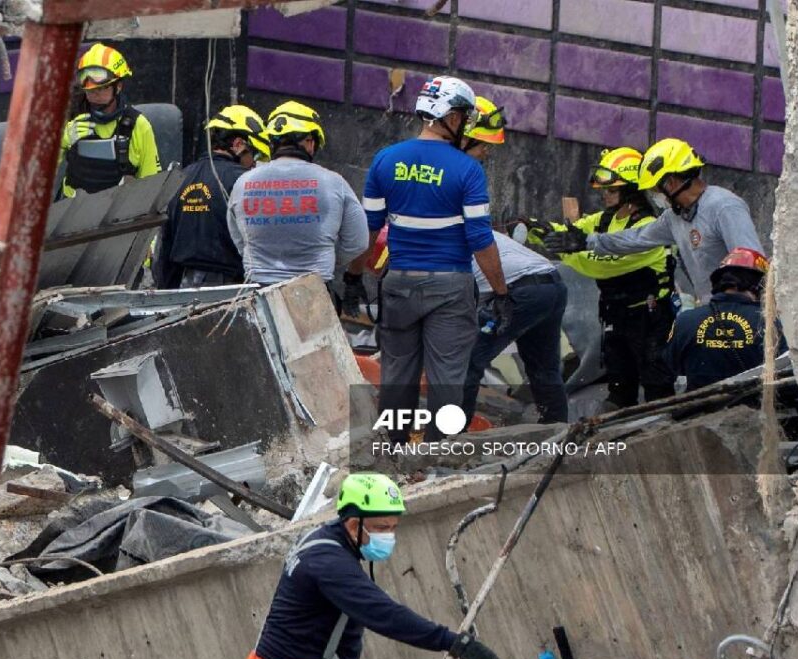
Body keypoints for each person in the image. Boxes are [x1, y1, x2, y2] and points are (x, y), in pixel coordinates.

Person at [363, 76, 510, 443]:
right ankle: (434, 456)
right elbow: (479, 239)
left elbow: (368, 231)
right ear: (452, 117)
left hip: (398, 283)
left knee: (397, 372)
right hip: (450, 287)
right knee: (447, 376)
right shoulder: (467, 171)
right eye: (464, 116)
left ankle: (393, 453)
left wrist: (355, 276)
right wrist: (501, 291)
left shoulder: (385, 160)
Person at [245, 473, 508, 659]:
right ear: (353, 524)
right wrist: (458, 644)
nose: (388, 536)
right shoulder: (328, 562)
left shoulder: (326, 540)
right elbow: (383, 614)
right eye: (381, 527)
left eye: (393, 528)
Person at [529, 147, 677, 408]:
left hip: (650, 319)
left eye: (611, 190)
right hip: (615, 315)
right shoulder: (603, 220)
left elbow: (602, 266)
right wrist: (535, 230)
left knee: (656, 385)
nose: (604, 195)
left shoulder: (649, 228)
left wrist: (567, 250)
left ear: (630, 190)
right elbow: (569, 232)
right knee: (619, 386)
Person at [457, 100, 569, 423]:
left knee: (468, 361)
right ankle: (558, 434)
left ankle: (452, 443)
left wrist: (503, 296)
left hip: (524, 289)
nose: (487, 155)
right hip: (552, 284)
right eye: (484, 146)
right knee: (543, 367)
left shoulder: (446, 246)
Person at [543, 138, 761, 301]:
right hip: (711, 309)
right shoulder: (675, 217)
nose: (655, 197)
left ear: (672, 183)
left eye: (656, 189)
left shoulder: (724, 207)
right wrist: (587, 241)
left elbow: (753, 261)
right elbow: (635, 239)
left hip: (743, 310)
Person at [227, 100, 368, 306]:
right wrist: (323, 254)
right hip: (314, 292)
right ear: (310, 142)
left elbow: (239, 239)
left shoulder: (243, 183)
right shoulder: (333, 183)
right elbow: (358, 241)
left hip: (258, 295)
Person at [154, 104, 270, 289]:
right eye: (254, 154)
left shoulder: (180, 178)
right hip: (229, 287)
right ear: (238, 145)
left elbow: (164, 244)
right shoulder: (244, 181)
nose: (253, 163)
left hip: (181, 286)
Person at [664, 247, 787, 390]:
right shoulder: (768, 322)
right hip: (754, 408)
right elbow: (782, 368)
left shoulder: (685, 321)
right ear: (760, 286)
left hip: (699, 409)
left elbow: (670, 365)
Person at [58, 43, 161, 199]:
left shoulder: (138, 126)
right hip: (72, 212)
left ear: (118, 87)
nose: (94, 95)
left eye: (101, 88)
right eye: (90, 90)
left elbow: (151, 183)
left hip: (116, 212)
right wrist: (63, 140)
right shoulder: (75, 124)